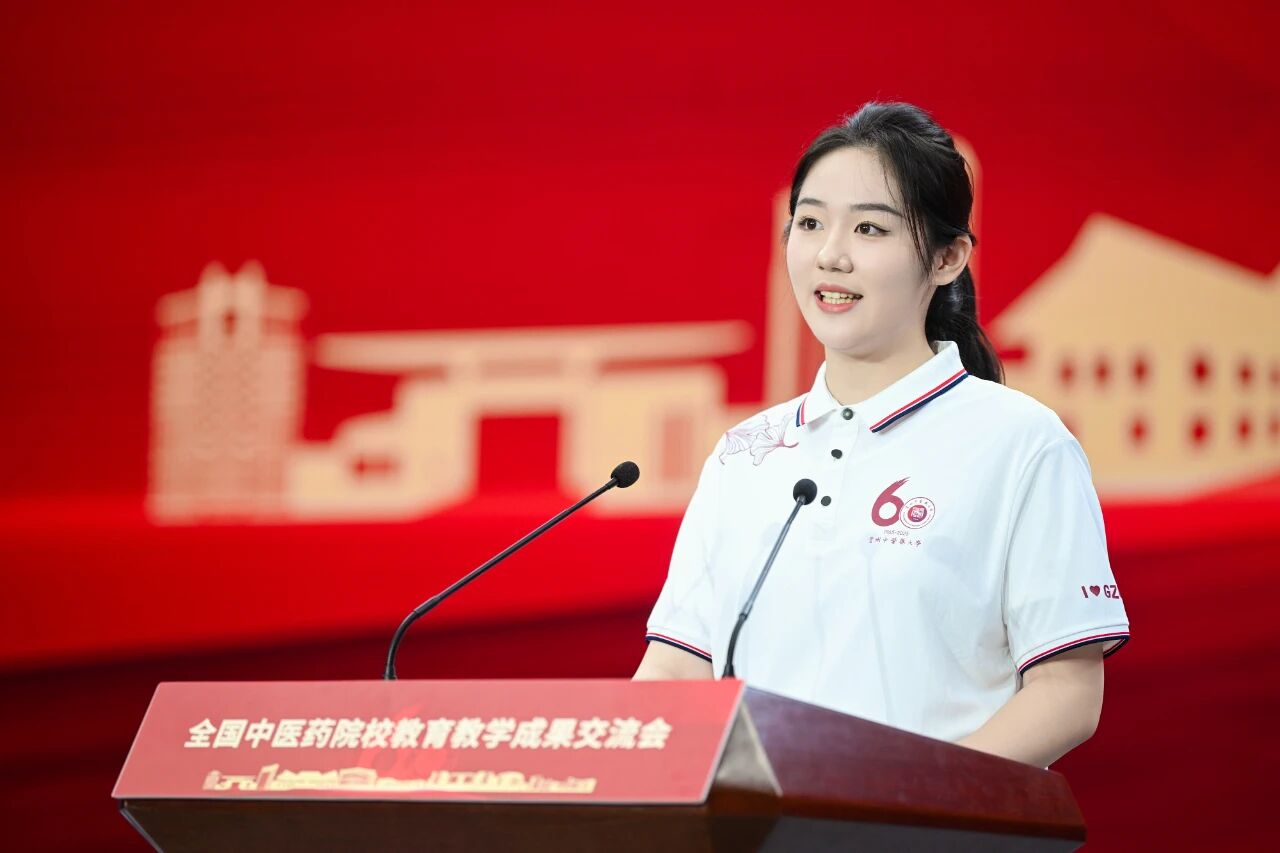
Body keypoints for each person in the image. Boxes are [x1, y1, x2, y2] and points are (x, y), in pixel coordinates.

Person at [633, 102, 1130, 769]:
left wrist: (920, 801)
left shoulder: (1022, 444)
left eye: (870, 228)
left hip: (930, 821)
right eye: (810, 223)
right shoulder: (744, 455)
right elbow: (675, 666)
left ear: (948, 257)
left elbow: (1066, 693)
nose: (830, 255)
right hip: (754, 820)